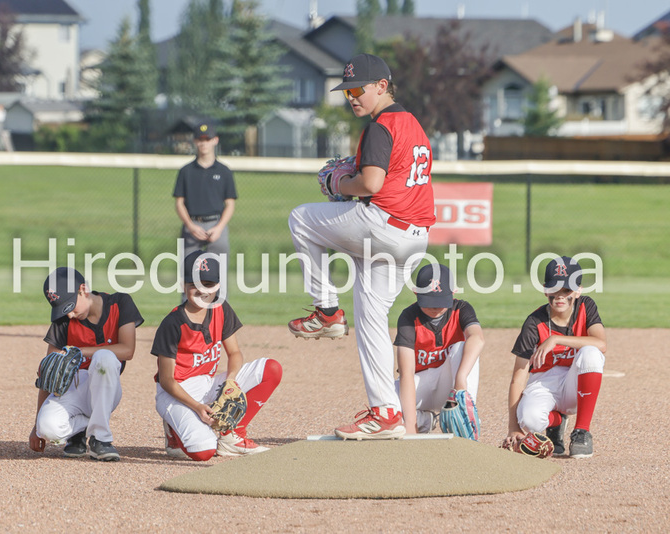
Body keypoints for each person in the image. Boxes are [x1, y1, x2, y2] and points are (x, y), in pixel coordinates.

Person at [287, 53, 435, 440]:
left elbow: (370, 184)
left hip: (385, 226)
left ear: (382, 87)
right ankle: (386, 412)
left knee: (301, 218)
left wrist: (339, 184)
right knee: (370, 315)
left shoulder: (381, 125)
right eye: (347, 91)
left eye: (358, 90)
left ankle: (326, 311)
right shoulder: (413, 124)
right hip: (415, 239)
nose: (352, 97)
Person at [152, 250, 282, 460]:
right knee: (204, 452)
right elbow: (167, 380)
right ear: (183, 285)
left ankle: (233, 437)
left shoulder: (220, 308)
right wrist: (196, 407)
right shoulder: (173, 323)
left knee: (271, 369)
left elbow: (234, 353)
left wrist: (230, 381)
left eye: (209, 284)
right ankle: (174, 430)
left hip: (208, 383)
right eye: (195, 283)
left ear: (218, 286)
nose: (202, 290)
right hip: (177, 390)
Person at [29, 267, 143, 461]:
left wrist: (80, 352)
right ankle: (78, 433)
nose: (70, 315)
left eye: (71, 306)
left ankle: (101, 439)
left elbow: (127, 350)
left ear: (83, 290)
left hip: (106, 388)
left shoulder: (120, 303)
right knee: (47, 428)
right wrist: (36, 426)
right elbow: (50, 374)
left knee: (104, 358)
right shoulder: (63, 320)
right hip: (73, 388)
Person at [504, 256, 606, 458]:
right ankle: (558, 422)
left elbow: (601, 343)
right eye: (554, 290)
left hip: (576, 383)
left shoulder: (586, 306)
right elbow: (518, 377)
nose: (560, 297)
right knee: (529, 420)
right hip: (544, 381)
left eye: (566, 291)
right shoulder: (534, 322)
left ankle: (581, 432)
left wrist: (556, 340)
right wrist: (513, 427)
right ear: (545, 290)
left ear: (578, 290)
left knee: (591, 353)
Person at [394, 263, 484, 435]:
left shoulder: (461, 309)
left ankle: (464, 413)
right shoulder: (408, 317)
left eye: (440, 302)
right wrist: (411, 427)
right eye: (429, 302)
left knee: (463, 346)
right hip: (419, 383)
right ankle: (424, 421)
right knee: (387, 406)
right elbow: (406, 374)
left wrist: (461, 379)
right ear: (416, 293)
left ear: (453, 293)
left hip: (450, 385)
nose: (435, 308)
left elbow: (478, 338)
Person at [173, 120, 237, 263]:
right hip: (193, 226)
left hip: (216, 225)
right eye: (200, 139)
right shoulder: (186, 171)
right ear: (195, 141)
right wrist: (190, 226)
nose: (204, 143)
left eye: (207, 139)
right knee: (189, 275)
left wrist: (219, 228)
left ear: (215, 140)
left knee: (218, 276)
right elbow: (179, 203)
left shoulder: (224, 171)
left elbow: (230, 204)